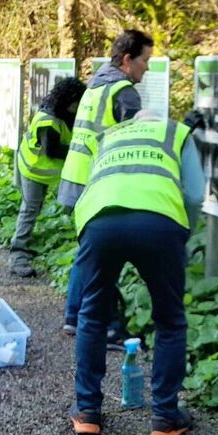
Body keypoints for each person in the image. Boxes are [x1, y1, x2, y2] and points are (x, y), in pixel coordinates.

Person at [68, 111, 205, 435]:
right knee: (170, 320)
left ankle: (87, 411)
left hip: (100, 221)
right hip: (160, 222)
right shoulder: (177, 132)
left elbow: (91, 184)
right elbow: (196, 194)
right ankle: (165, 417)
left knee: (92, 312)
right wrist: (181, 234)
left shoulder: (109, 135)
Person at [58, 29, 153, 341]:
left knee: (90, 252)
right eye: (144, 60)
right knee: (105, 256)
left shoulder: (96, 85)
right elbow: (136, 142)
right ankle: (108, 325)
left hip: (77, 179)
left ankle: (74, 315)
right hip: (98, 186)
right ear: (127, 60)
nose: (147, 68)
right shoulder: (123, 92)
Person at [9, 77, 85, 277]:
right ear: (69, 100)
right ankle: (18, 254)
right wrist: (79, 151)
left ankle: (23, 246)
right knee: (30, 209)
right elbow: (52, 151)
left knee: (34, 208)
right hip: (33, 168)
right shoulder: (49, 120)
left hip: (41, 169)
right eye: (78, 102)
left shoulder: (59, 111)